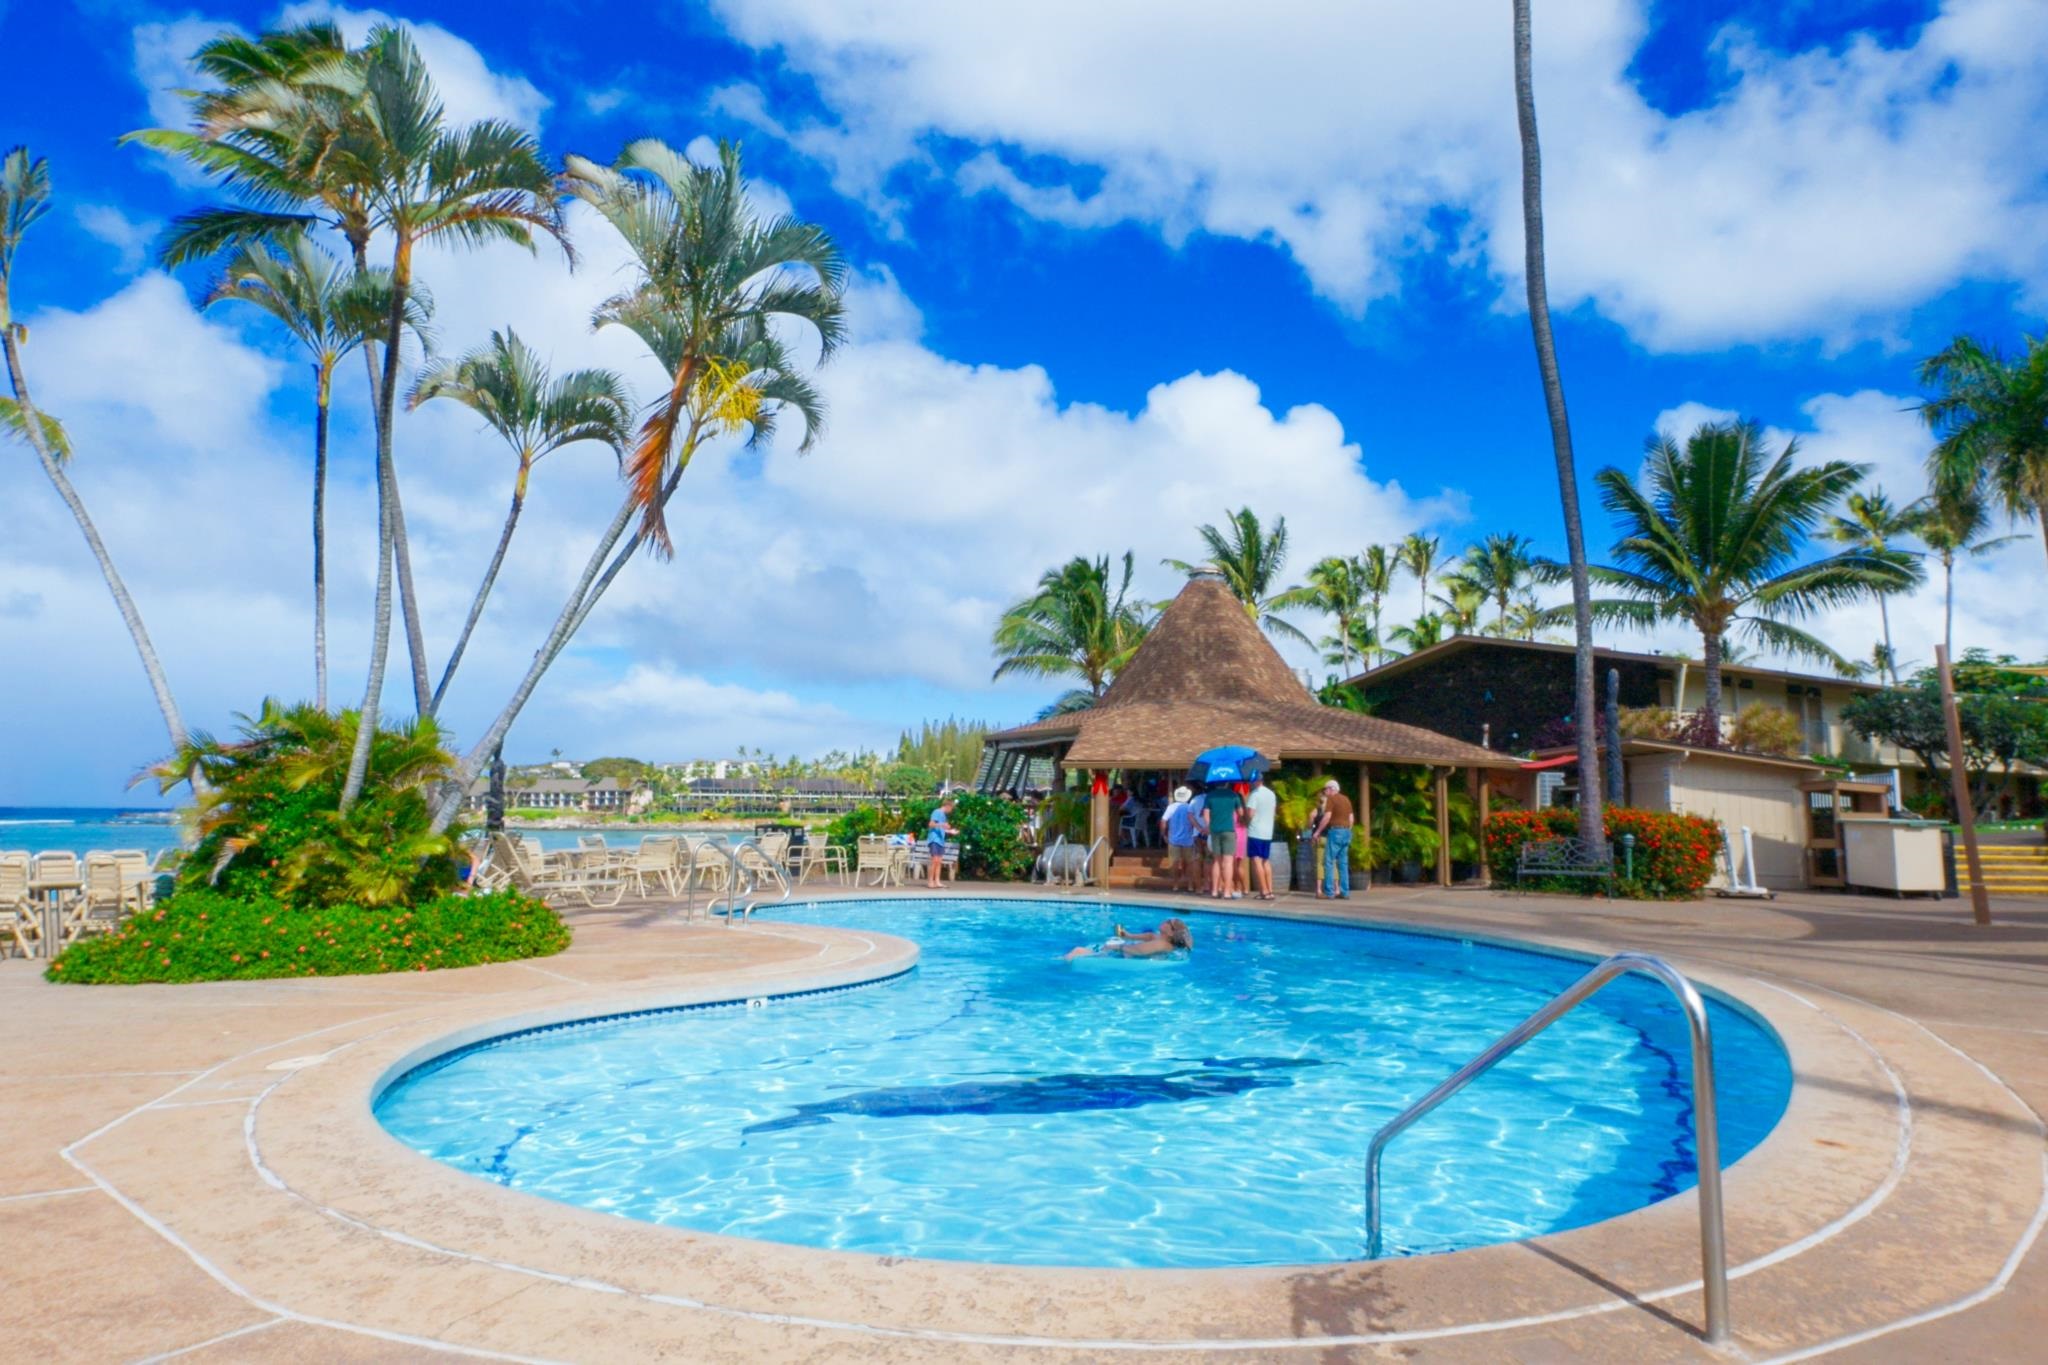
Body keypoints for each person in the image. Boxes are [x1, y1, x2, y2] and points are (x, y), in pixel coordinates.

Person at [1307, 778, 1356, 899]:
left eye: (1326, 789)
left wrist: (1317, 832)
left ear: (1331, 789)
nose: (1325, 792)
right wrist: (1348, 831)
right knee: (1343, 863)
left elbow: (1327, 817)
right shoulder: (1346, 799)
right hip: (1346, 832)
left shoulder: (1332, 799)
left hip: (1336, 831)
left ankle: (1329, 892)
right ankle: (1345, 892)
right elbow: (1351, 818)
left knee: (1328, 861)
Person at [1065, 917, 1192, 960]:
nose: (1165, 921)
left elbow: (1138, 950)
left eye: (1168, 922)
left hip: (1125, 957)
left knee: (1078, 951)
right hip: (1126, 955)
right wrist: (1129, 935)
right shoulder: (1162, 939)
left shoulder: (1162, 944)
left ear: (1170, 932)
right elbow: (1150, 936)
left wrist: (1116, 947)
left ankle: (1055, 963)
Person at [1201, 779, 1242, 899]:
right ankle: (1227, 891)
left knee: (1216, 861)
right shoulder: (1233, 795)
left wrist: (1209, 825)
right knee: (1228, 861)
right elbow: (1240, 813)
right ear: (1227, 783)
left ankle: (1214, 891)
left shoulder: (1210, 796)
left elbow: (1206, 813)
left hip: (1215, 830)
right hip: (1229, 830)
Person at [1161, 785, 1201, 892]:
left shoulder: (1171, 807)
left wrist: (1163, 834)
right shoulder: (1190, 807)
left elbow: (1163, 821)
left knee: (1174, 862)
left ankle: (1175, 885)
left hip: (1174, 839)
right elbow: (1194, 822)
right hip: (1188, 839)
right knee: (1190, 863)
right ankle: (1190, 884)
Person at [1245, 773, 1278, 901]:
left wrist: (1244, 821)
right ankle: (1270, 890)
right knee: (1265, 860)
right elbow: (1274, 811)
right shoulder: (1271, 794)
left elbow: (1251, 814)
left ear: (1255, 781)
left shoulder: (1254, 795)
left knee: (1256, 860)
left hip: (1256, 832)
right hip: (1268, 832)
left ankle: (1263, 891)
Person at [924, 795, 956, 888]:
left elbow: (941, 828)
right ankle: (930, 882)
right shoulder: (937, 812)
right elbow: (931, 824)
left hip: (940, 840)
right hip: (934, 839)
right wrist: (943, 824)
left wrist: (950, 831)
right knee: (934, 861)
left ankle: (937, 881)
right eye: (951, 809)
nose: (951, 811)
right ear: (948, 806)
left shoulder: (943, 816)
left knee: (939, 861)